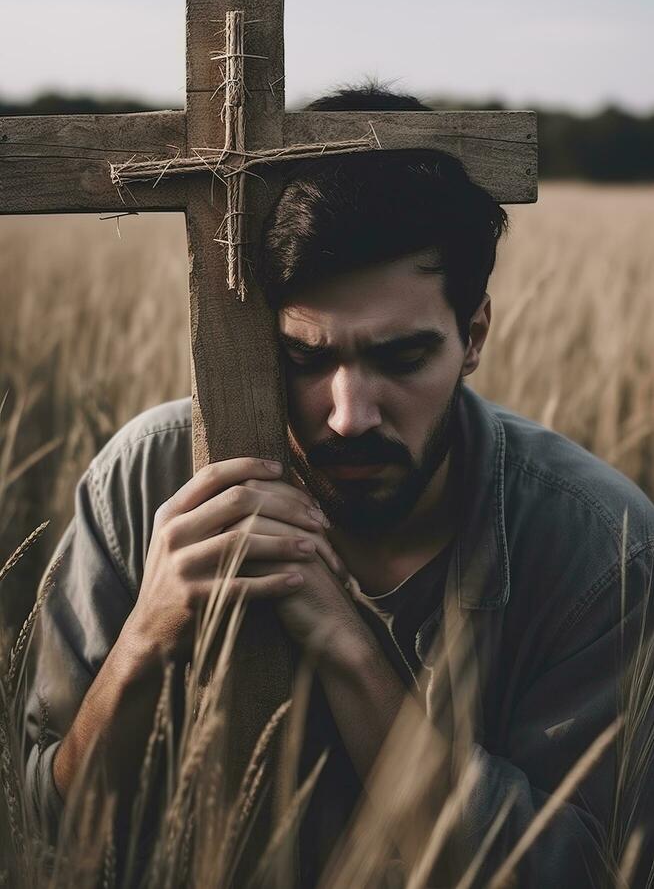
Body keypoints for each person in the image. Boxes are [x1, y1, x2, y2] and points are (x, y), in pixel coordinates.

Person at [25, 85, 654, 888]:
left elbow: (586, 874)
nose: (350, 415)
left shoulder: (601, 549)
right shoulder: (143, 485)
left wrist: (350, 650)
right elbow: (44, 832)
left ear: (474, 338)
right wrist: (145, 642)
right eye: (306, 359)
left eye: (400, 358)